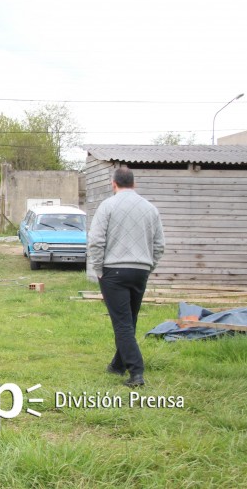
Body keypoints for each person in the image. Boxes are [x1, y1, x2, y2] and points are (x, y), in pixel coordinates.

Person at [87, 166, 165, 388]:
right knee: (129, 320)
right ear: (134, 183)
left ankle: (136, 372)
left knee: (122, 323)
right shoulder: (150, 209)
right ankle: (118, 365)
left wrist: (99, 270)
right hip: (140, 270)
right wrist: (148, 267)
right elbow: (159, 245)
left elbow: (96, 241)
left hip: (114, 271)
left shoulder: (108, 206)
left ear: (114, 184)